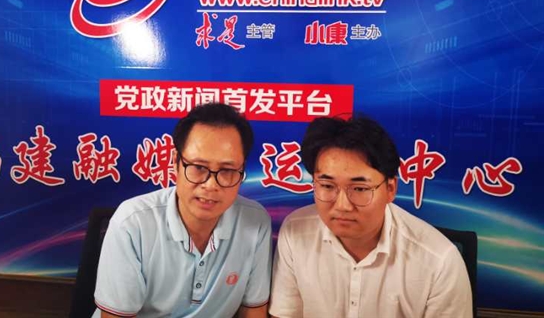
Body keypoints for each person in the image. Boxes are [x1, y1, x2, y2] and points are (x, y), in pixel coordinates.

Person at [269, 116, 472, 318]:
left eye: (359, 188)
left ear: (390, 189)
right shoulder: (295, 232)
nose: (342, 206)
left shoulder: (439, 262)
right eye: (327, 186)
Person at [94, 103, 272, 318]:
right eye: (198, 167)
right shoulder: (132, 223)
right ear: (175, 162)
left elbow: (253, 311)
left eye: (227, 170)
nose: (210, 185)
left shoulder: (255, 222)